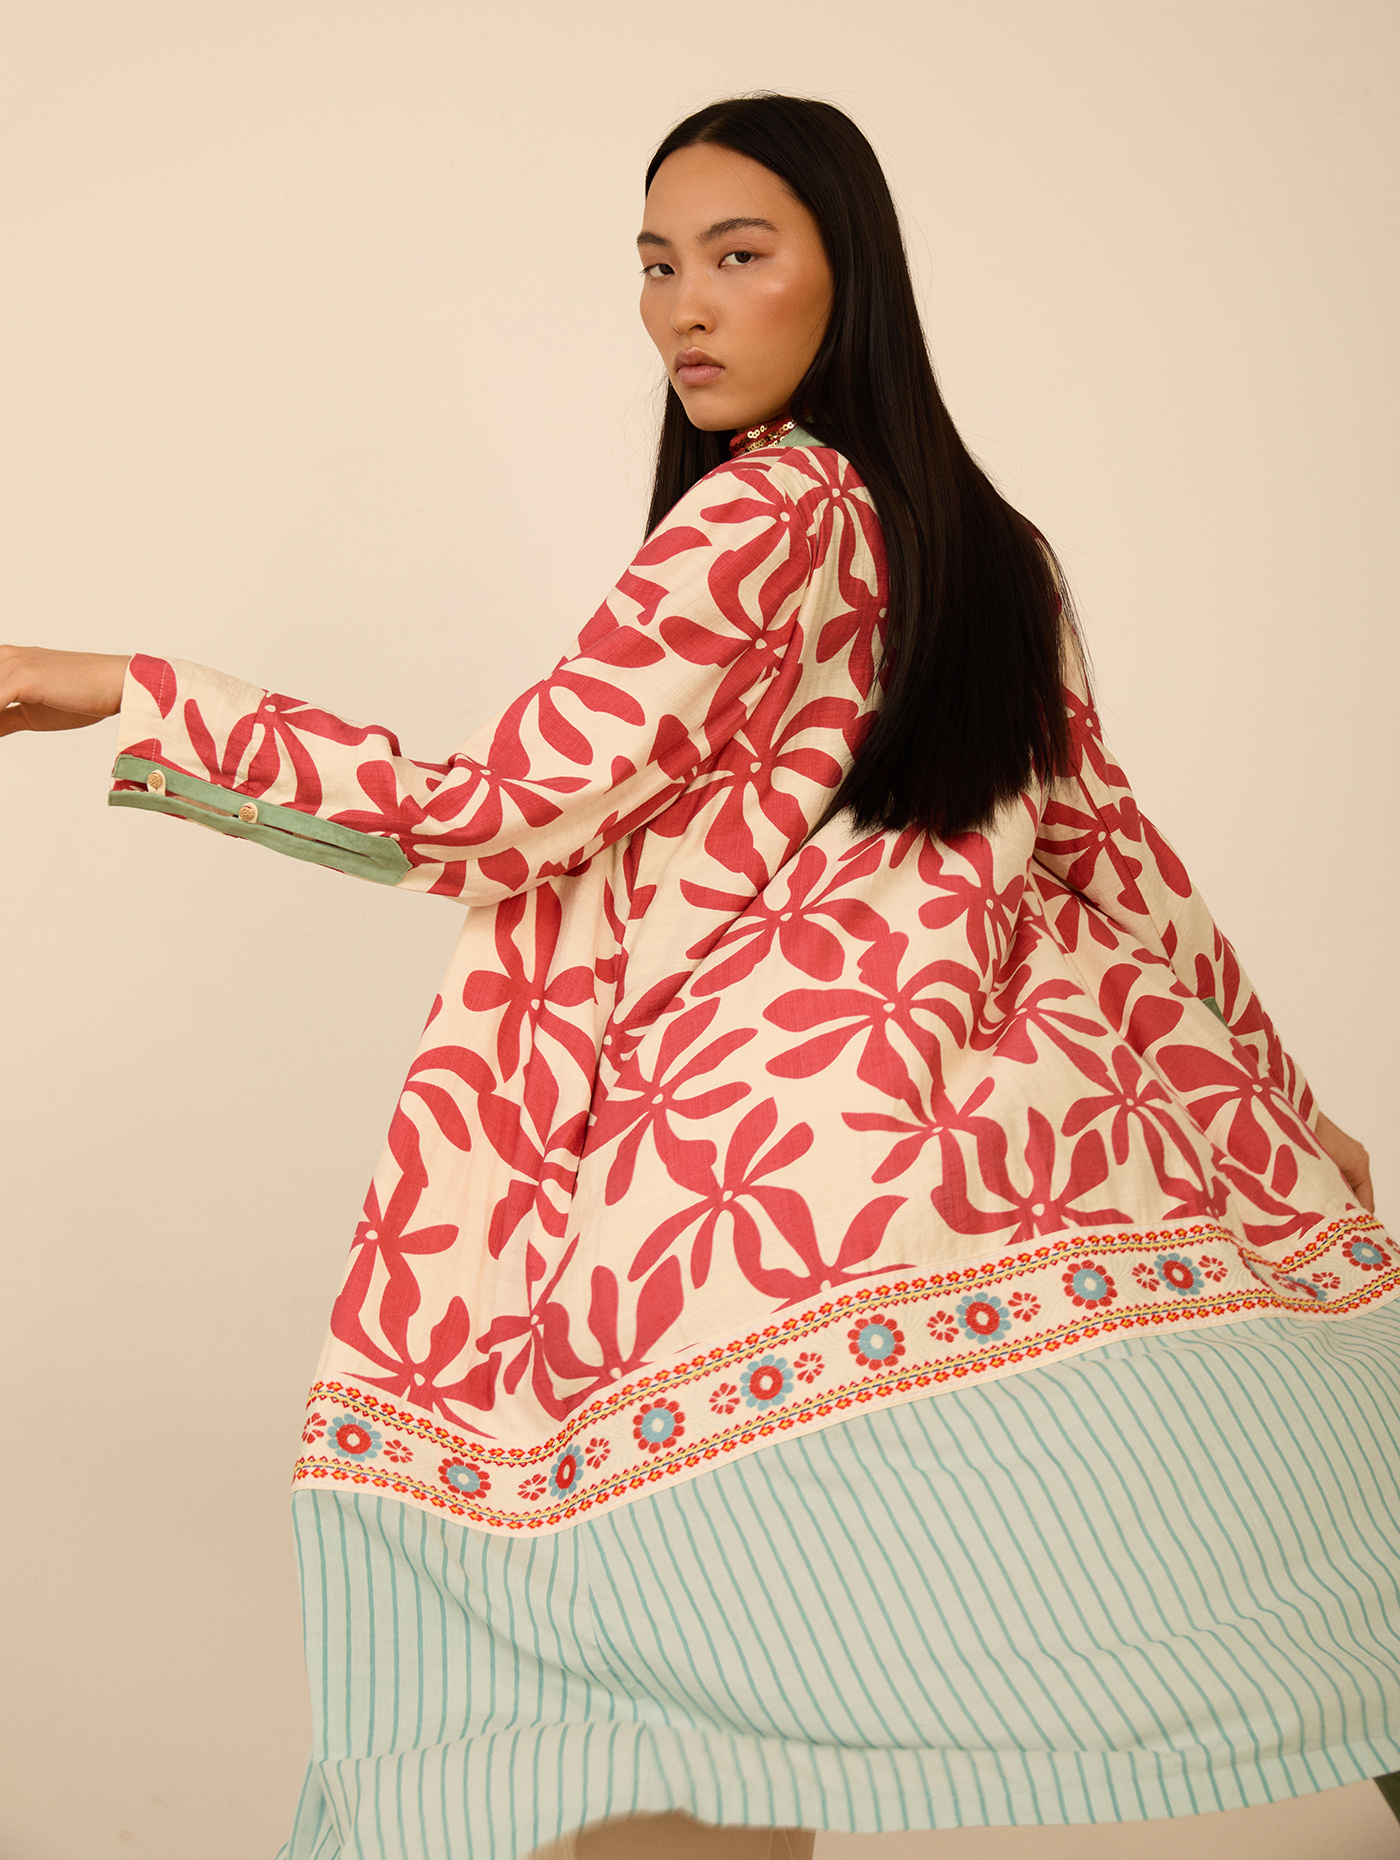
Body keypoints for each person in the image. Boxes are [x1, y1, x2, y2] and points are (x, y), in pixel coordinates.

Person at [3, 92, 1398, 1860]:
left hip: (714, 1207)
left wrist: (127, 690)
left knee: (646, 1717)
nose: (685, 308)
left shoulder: (764, 510)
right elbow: (1119, 867)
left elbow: (497, 809)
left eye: (739, 256)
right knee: (799, 1705)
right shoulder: (994, 549)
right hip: (928, 1187)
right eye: (659, 266)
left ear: (847, 273)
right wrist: (1284, 1109)